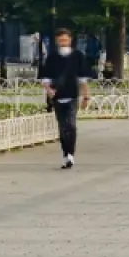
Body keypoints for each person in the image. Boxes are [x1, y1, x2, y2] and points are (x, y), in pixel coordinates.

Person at [38, 28, 91, 169]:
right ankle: (65, 154)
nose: (63, 42)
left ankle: (71, 155)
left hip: (73, 94)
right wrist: (49, 91)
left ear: (70, 39)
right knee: (62, 128)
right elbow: (46, 78)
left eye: (65, 39)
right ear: (57, 41)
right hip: (58, 96)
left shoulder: (78, 56)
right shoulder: (52, 57)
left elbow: (83, 78)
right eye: (60, 40)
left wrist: (86, 95)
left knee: (71, 126)